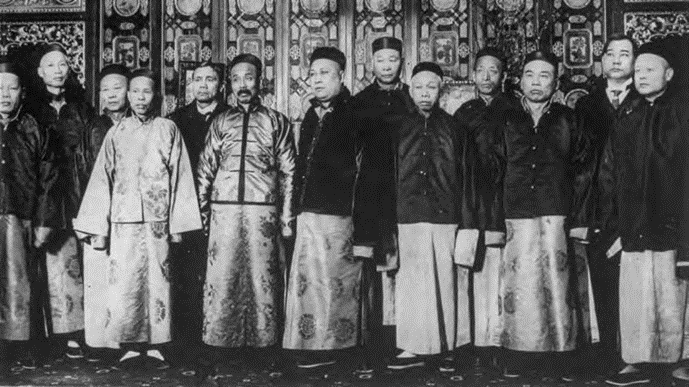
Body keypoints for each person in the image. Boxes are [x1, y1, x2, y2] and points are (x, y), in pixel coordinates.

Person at [73, 68, 201, 370]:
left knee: (160, 281)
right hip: (123, 220)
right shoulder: (116, 132)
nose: (140, 98)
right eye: (135, 92)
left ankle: (158, 344)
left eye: (147, 92)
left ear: (156, 95)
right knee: (125, 283)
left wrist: (177, 224)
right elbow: (102, 179)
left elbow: (180, 175)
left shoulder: (168, 128)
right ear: (129, 95)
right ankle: (130, 344)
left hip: (158, 221)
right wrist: (99, 227)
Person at [480, 51, 588, 378]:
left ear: (556, 83)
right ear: (520, 81)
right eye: (530, 75)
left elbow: (583, 171)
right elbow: (491, 171)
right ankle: (518, 354)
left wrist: (580, 219)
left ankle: (561, 354)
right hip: (515, 214)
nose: (536, 82)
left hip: (557, 213)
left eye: (544, 76)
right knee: (518, 286)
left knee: (559, 285)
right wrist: (492, 222)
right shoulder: (505, 119)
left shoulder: (569, 120)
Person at [194, 53, 296, 380]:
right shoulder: (221, 121)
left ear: (260, 81)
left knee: (263, 282)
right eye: (237, 79)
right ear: (230, 84)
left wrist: (286, 216)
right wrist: (202, 212)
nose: (243, 85)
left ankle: (265, 349)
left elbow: (289, 172)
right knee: (222, 280)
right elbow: (205, 168)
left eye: (249, 78)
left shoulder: (276, 121)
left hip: (262, 210)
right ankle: (219, 348)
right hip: (223, 209)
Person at [597, 38, 688, 386]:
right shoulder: (628, 113)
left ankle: (681, 359)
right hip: (633, 223)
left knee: (674, 293)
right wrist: (612, 223)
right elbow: (610, 171)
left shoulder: (682, 111)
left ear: (669, 73)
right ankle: (637, 360)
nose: (642, 76)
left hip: (673, 223)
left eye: (650, 69)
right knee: (638, 292)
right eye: (638, 71)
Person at [282, 46, 379, 369]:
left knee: (340, 288)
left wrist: (365, 230)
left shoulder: (358, 115)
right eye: (313, 74)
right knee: (310, 287)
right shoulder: (310, 115)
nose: (318, 79)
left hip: (342, 218)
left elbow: (369, 175)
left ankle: (340, 351)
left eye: (325, 73)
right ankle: (312, 347)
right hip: (309, 215)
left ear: (341, 77)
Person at [385, 62, 479, 372]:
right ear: (410, 90)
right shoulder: (398, 128)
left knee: (449, 284)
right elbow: (387, 178)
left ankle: (449, 347)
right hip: (408, 216)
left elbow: (467, 178)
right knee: (412, 286)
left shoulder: (455, 128)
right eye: (419, 87)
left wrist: (467, 224)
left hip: (446, 216)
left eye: (431, 87)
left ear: (440, 90)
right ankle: (412, 347)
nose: (425, 93)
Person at [571, 34, 639, 375]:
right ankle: (607, 353)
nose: (616, 60)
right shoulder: (587, 105)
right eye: (610, 53)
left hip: (634, 205)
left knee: (635, 285)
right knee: (601, 283)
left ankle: (634, 355)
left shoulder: (644, 101)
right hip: (597, 205)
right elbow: (579, 162)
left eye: (624, 54)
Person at [23, 42, 95, 364]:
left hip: (80, 193)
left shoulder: (81, 108)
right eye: (50, 65)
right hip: (46, 196)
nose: (57, 70)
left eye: (62, 64)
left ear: (70, 69)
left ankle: (81, 334)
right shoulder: (31, 110)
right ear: (39, 72)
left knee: (80, 267)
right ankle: (54, 337)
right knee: (49, 268)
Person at [453, 47, 519, 369]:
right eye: (481, 70)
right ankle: (477, 342)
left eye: (494, 70)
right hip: (472, 201)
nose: (487, 77)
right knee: (474, 271)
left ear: (503, 75)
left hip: (506, 200)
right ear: (473, 74)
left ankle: (502, 342)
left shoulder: (515, 110)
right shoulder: (464, 113)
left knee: (505, 274)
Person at [353, 36, 414, 367]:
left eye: (393, 59)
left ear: (401, 61)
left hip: (408, 193)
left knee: (406, 268)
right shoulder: (361, 102)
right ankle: (374, 341)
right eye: (381, 60)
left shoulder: (411, 98)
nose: (387, 66)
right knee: (374, 269)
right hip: (373, 194)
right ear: (371, 63)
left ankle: (405, 338)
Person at [0, 58, 61, 376]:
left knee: (20, 284)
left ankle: (20, 346)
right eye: (0, 88)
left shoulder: (35, 127)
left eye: (12, 87)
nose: (5, 95)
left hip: (20, 217)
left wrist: (44, 221)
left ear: (23, 92)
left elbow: (49, 179)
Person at [168, 61, 229, 353]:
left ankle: (218, 336)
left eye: (210, 79)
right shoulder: (175, 120)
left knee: (219, 270)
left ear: (221, 84)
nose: (203, 85)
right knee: (185, 270)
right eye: (198, 79)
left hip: (222, 206)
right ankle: (187, 339)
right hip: (185, 204)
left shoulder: (229, 117)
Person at [81, 64, 131, 357]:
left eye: (118, 88)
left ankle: (124, 340)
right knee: (98, 277)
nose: (112, 95)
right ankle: (100, 344)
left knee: (126, 277)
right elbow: (81, 171)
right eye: (106, 89)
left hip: (128, 212)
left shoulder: (140, 123)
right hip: (98, 207)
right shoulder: (94, 127)